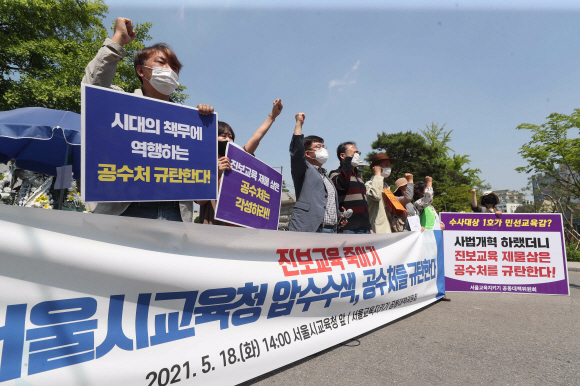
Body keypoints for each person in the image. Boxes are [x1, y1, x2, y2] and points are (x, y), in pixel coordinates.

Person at [81, 17, 214, 221]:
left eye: (174, 67)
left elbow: (198, 177)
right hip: (125, 210)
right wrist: (117, 41)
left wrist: (202, 124)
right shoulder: (120, 103)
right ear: (141, 70)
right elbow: (92, 87)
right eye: (161, 63)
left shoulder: (187, 122)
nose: (169, 70)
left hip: (175, 213)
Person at [196, 99, 284, 225]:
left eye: (231, 137)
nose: (229, 140)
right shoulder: (202, 163)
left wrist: (273, 115)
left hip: (239, 229)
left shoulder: (238, 160)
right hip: (214, 230)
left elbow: (256, 137)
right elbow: (200, 201)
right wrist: (217, 174)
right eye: (224, 136)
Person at [288, 113, 345, 233]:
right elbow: (297, 150)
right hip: (312, 229)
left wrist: (339, 216)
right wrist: (299, 123)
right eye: (318, 147)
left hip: (332, 230)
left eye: (324, 146)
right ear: (307, 153)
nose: (323, 149)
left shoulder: (326, 177)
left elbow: (324, 203)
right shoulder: (304, 169)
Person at [330, 142, 373, 234]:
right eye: (353, 153)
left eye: (358, 153)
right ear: (343, 155)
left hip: (364, 227)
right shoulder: (335, 174)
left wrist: (368, 227)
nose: (357, 156)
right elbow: (342, 184)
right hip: (348, 227)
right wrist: (348, 160)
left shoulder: (359, 178)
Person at [365, 153, 396, 234]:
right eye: (386, 165)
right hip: (378, 230)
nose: (388, 168)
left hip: (389, 228)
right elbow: (376, 196)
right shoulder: (369, 185)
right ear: (376, 167)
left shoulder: (387, 186)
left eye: (389, 165)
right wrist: (377, 175)